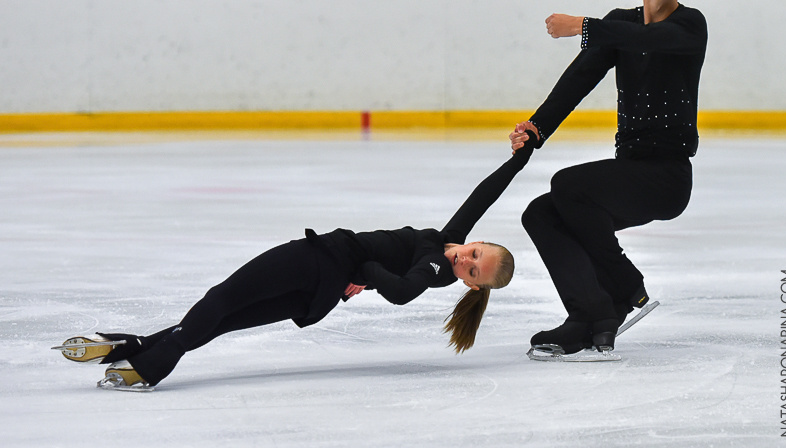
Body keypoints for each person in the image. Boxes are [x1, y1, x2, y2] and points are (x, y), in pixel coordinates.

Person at [55, 137, 535, 390]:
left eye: (473, 269)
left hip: (320, 261)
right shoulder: (448, 245)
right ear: (477, 241)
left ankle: (153, 365)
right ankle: (135, 347)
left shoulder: (435, 265)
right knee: (223, 318)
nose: (466, 259)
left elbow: (401, 291)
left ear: (472, 286)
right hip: (319, 295)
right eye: (476, 252)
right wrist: (521, 156)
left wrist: (364, 272)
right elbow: (484, 195)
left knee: (221, 299)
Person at [509, 0, 707, 355]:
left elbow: (652, 39)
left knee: (568, 185)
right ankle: (592, 315)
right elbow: (578, 79)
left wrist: (584, 26)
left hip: (667, 177)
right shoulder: (621, 24)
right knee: (541, 214)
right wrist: (537, 127)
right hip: (630, 167)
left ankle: (626, 284)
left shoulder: (691, 25)